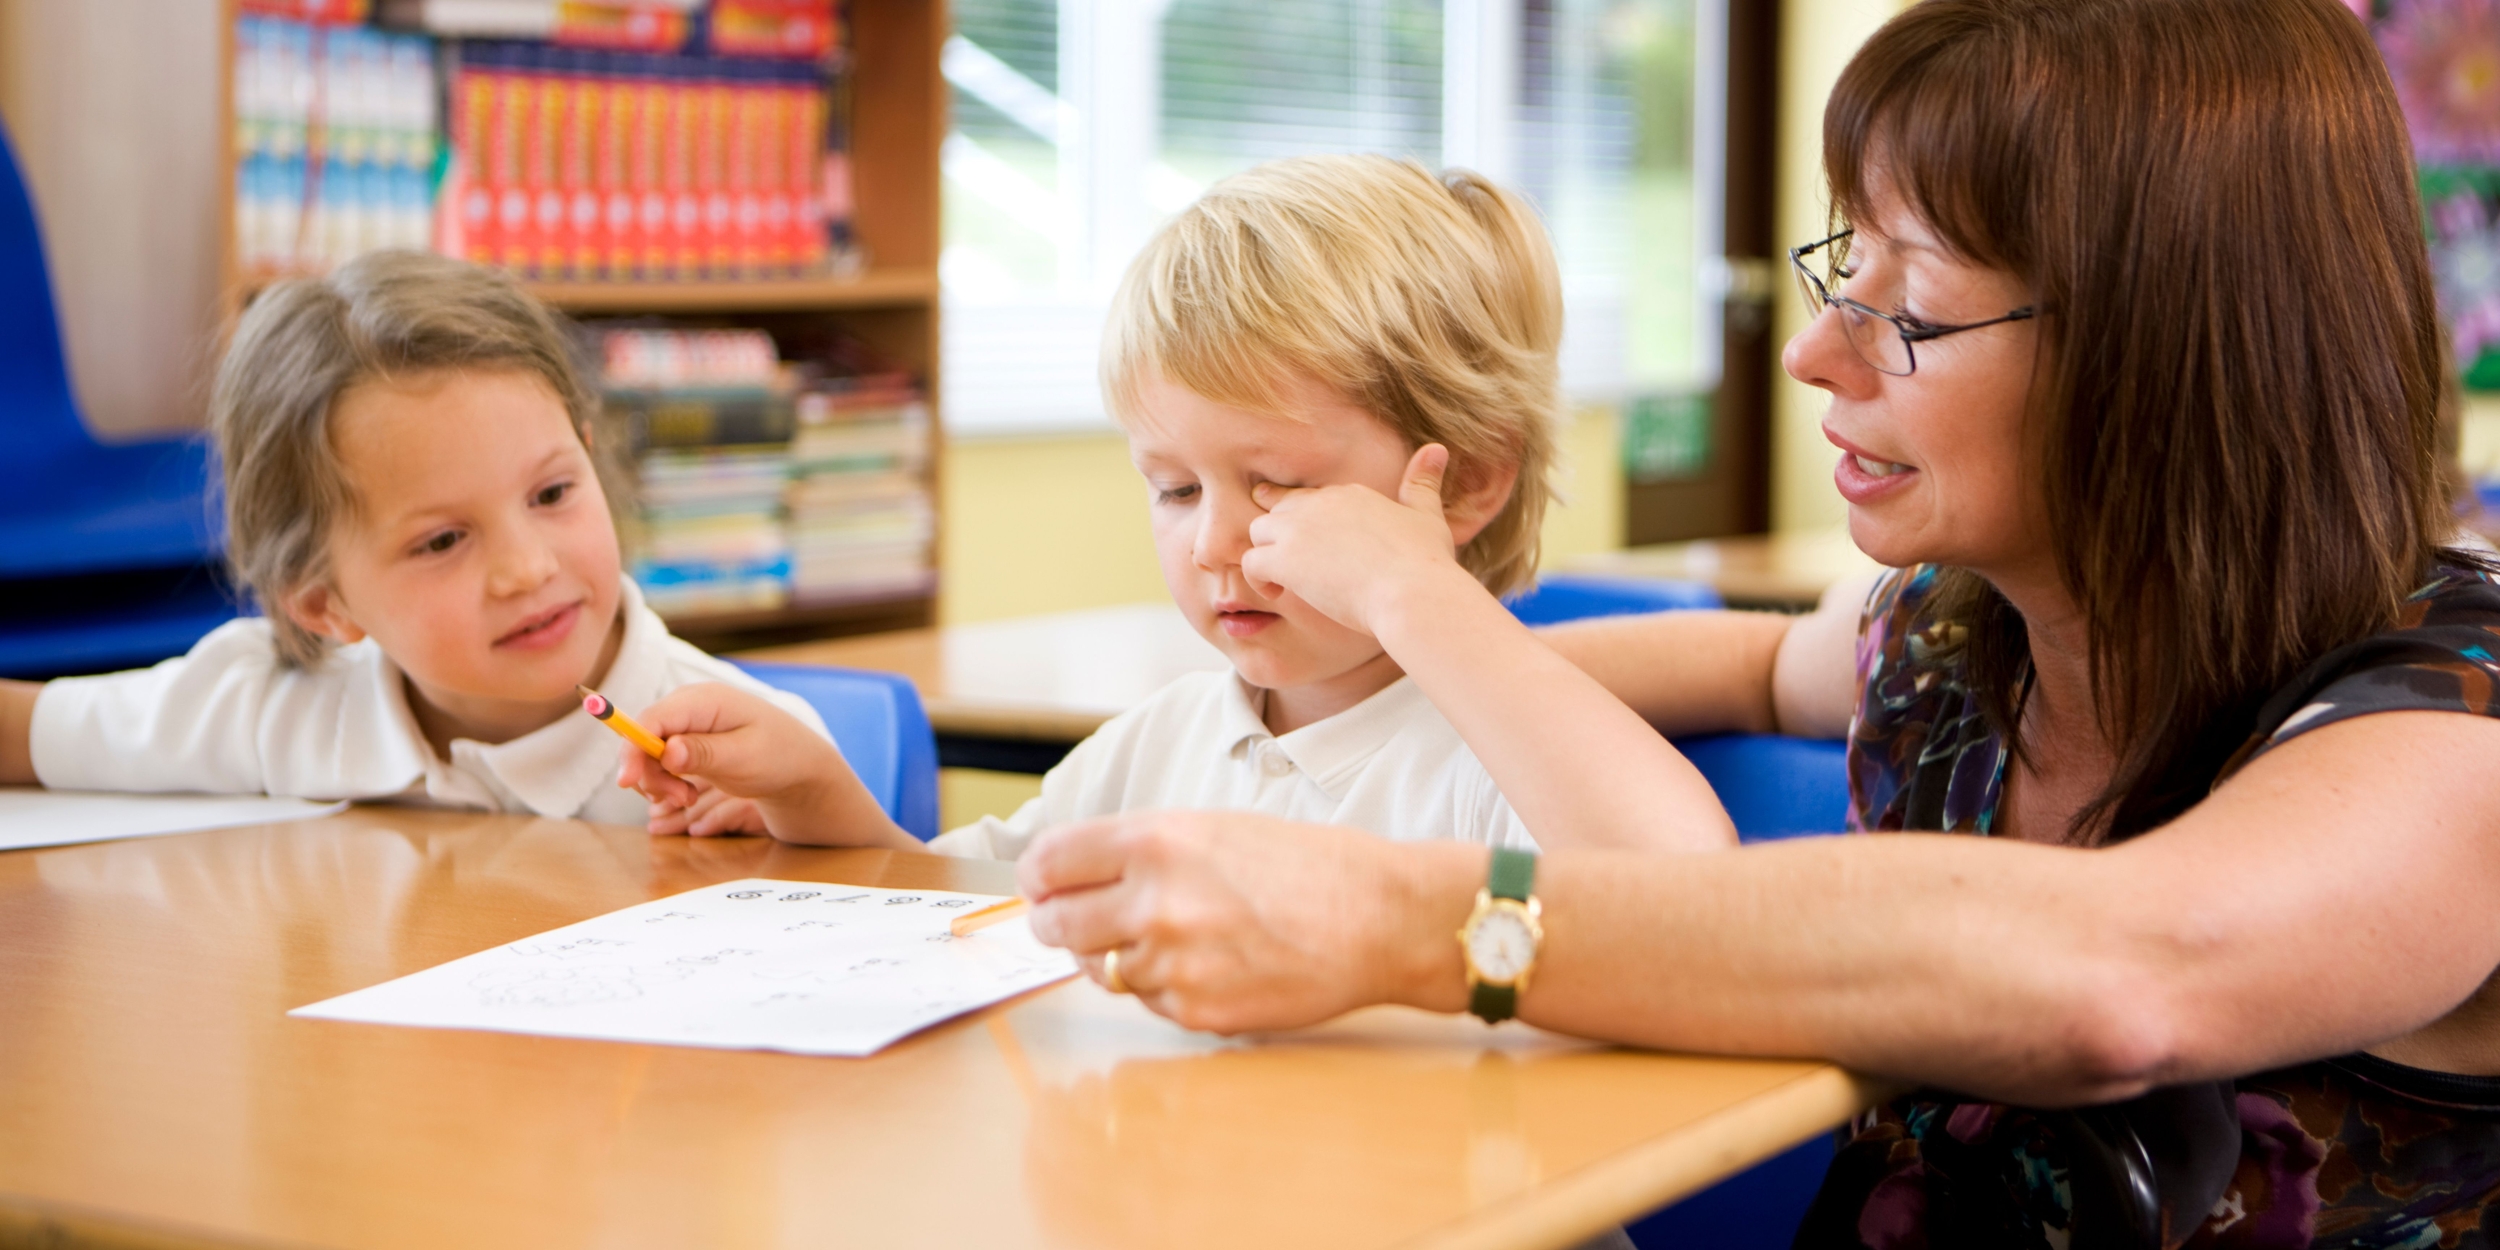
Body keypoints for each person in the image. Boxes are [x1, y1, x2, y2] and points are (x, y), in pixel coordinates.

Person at [1009, 1, 2500, 1244]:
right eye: (1838, 273)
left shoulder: (2455, 713)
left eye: (1901, 302)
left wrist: (1398, 916)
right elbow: (1727, 654)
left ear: (2168, 336)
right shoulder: (1933, 633)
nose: (1811, 352)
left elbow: (2126, 976)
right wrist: (1366, 701)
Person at [619, 155, 1726, 858]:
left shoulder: (1506, 747)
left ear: (1470, 479)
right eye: (1174, 486)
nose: (1212, 542)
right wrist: (819, 796)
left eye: (1280, 485)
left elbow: (1690, 903)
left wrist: (1414, 594)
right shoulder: (1166, 741)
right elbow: (961, 912)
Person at [0, 250, 849, 828]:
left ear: (591, 460)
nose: (526, 568)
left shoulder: (748, 757)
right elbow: (36, 730)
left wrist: (800, 824)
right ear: (324, 603)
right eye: (443, 542)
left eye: (552, 492)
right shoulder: (266, 704)